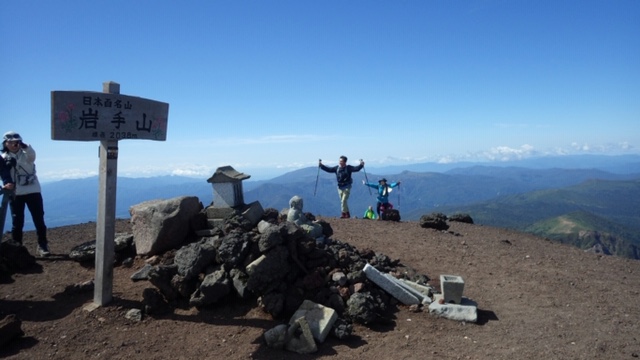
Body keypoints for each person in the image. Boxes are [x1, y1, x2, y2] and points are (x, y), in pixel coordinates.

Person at [1, 131, 50, 256]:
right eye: (10, 142)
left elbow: (32, 155)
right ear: (5, 143)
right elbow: (4, 174)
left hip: (33, 191)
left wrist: (24, 145)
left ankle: (42, 246)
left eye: (16, 142)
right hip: (15, 193)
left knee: (39, 219)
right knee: (17, 222)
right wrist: (6, 184)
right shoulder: (2, 158)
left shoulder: (26, 153)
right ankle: (17, 249)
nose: (14, 144)